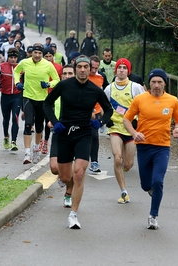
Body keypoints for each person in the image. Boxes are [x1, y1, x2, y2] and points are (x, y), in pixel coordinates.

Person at [43, 55, 113, 229]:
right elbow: (47, 103)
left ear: (90, 70)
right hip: (64, 134)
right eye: (80, 67)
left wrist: (100, 122)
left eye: (86, 67)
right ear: (75, 69)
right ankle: (67, 185)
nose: (82, 70)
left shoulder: (95, 90)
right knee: (66, 176)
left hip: (83, 134)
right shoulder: (64, 85)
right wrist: (55, 122)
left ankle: (73, 214)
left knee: (79, 173)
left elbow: (109, 110)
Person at [123, 68, 178, 230]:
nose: (156, 85)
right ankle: (151, 189)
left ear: (165, 83)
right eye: (153, 82)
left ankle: (153, 216)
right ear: (149, 83)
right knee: (146, 185)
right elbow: (127, 119)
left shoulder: (172, 101)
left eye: (159, 82)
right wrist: (134, 133)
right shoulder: (140, 99)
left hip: (162, 147)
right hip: (144, 146)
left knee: (158, 181)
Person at [104, 58, 145, 203]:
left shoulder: (136, 87)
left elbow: (144, 106)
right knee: (117, 158)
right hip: (115, 127)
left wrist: (138, 121)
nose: (121, 70)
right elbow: (105, 106)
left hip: (131, 129)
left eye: (124, 68)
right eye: (119, 67)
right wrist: (106, 118)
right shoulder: (109, 88)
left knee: (128, 164)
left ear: (128, 71)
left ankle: (122, 168)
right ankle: (123, 191)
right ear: (116, 70)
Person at [13, 43, 60, 164]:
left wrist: (48, 84)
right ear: (32, 53)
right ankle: (27, 153)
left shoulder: (48, 65)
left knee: (39, 127)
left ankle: (36, 148)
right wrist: (17, 83)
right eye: (35, 53)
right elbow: (16, 71)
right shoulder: (25, 62)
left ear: (42, 54)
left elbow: (57, 80)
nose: (37, 55)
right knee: (28, 124)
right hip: (28, 97)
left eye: (40, 53)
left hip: (42, 99)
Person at [48, 64, 75, 207]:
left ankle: (68, 194)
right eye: (65, 74)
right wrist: (51, 120)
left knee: (71, 171)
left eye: (71, 73)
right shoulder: (57, 90)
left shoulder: (80, 91)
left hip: (75, 133)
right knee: (54, 168)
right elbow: (48, 105)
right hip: (59, 131)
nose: (68, 76)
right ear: (61, 76)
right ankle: (63, 176)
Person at [0, 48, 22, 151]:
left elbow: (25, 81)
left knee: (15, 118)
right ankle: (6, 137)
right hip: (5, 96)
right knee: (6, 119)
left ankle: (14, 142)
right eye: (11, 57)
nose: (13, 60)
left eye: (15, 57)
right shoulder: (2, 67)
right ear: (8, 57)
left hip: (17, 96)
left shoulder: (21, 68)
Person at [88, 55, 109, 173]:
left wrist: (103, 107)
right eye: (92, 67)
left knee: (94, 136)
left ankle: (94, 162)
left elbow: (107, 90)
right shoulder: (81, 75)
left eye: (96, 68)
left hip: (95, 112)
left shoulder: (101, 77)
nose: (94, 70)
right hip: (80, 111)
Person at [40, 47, 63, 154]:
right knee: (40, 119)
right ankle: (39, 139)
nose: (48, 58)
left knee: (49, 120)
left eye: (50, 56)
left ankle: (45, 141)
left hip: (54, 97)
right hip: (41, 96)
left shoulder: (58, 67)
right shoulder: (39, 66)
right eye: (46, 56)